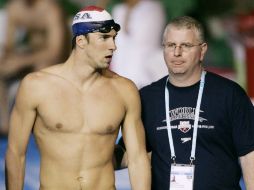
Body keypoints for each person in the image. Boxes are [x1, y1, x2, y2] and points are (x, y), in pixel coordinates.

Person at [5, 5, 151, 190]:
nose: (113, 46)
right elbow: (16, 153)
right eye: (104, 38)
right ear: (81, 41)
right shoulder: (36, 86)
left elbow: (137, 158)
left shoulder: (124, 90)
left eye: (114, 38)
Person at [116, 16, 254, 190]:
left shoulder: (230, 94)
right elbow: (127, 156)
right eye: (170, 45)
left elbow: (249, 155)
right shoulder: (146, 98)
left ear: (202, 50)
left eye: (186, 46)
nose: (176, 52)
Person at [0, 0, 71, 136]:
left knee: (42, 67)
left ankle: (44, 123)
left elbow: (55, 51)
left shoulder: (51, 9)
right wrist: (8, 59)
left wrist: (21, 62)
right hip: (31, 55)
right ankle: (5, 125)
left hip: (55, 61)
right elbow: (9, 47)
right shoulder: (15, 8)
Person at [110, 0, 168, 89]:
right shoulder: (119, 10)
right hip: (120, 81)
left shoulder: (151, 9)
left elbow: (142, 43)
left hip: (146, 79)